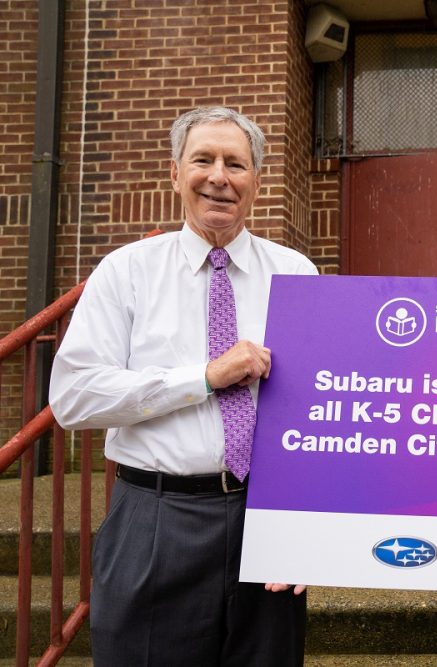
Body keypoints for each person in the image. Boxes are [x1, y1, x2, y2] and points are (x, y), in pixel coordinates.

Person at [49, 106, 316, 666]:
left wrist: (302, 530)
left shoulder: (296, 273)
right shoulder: (126, 271)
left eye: (236, 164)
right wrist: (203, 378)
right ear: (175, 174)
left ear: (256, 183)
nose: (219, 176)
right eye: (203, 159)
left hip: (264, 516)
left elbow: (319, 414)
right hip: (155, 517)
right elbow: (73, 396)